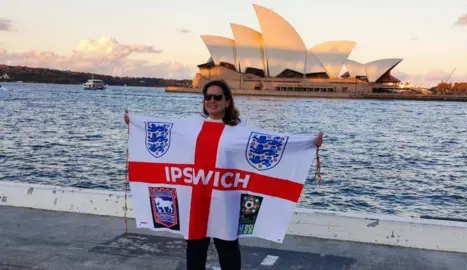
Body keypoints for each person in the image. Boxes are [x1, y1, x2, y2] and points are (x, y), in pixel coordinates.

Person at [124, 80, 323, 270]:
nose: (212, 101)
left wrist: (307, 142)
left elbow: (272, 143)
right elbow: (166, 130)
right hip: (197, 199)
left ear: (227, 101)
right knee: (195, 249)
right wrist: (135, 123)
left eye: (217, 97)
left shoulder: (241, 128)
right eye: (208, 97)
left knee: (227, 248)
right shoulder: (192, 126)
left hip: (226, 200)